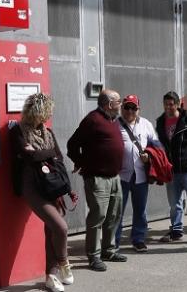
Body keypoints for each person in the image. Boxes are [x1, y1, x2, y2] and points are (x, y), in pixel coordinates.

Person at [11, 93, 77, 291]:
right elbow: (29, 156)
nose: (48, 116)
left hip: (50, 184)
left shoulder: (47, 132)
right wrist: (46, 155)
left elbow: (58, 157)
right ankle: (64, 263)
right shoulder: (18, 131)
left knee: (52, 230)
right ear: (37, 112)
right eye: (46, 112)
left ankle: (52, 275)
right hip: (31, 186)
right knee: (61, 227)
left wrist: (41, 154)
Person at [67, 89, 126, 272]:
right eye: (118, 102)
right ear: (109, 104)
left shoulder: (112, 120)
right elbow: (72, 144)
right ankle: (94, 257)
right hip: (97, 178)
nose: (120, 105)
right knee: (97, 217)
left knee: (113, 215)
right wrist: (81, 162)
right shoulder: (92, 120)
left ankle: (109, 250)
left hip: (114, 177)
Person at [156, 91, 187, 245]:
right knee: (174, 204)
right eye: (166, 104)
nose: (168, 107)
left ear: (178, 104)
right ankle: (176, 231)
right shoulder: (160, 121)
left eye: (171, 104)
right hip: (171, 169)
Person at [115, 95, 160, 253]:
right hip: (121, 176)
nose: (130, 111)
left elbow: (157, 145)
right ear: (122, 108)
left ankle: (139, 239)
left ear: (138, 110)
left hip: (140, 175)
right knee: (117, 210)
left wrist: (149, 154)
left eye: (133, 108)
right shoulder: (115, 124)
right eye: (127, 107)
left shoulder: (146, 124)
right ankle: (114, 241)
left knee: (140, 209)